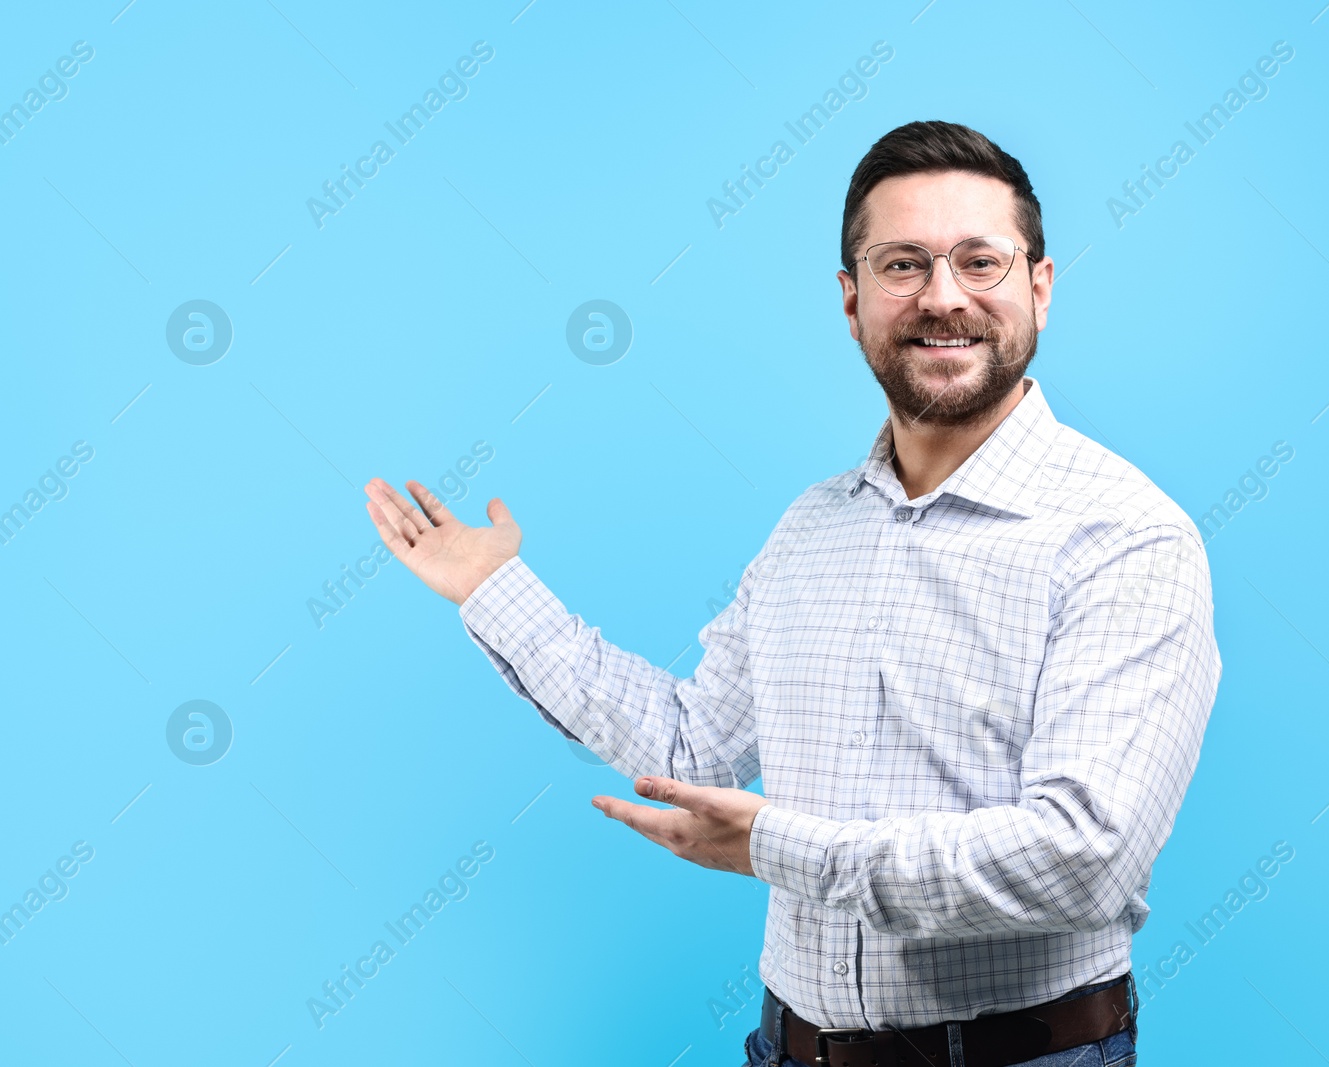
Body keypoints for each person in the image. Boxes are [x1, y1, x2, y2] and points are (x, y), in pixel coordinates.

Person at [363, 120, 1221, 1067]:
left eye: (981, 261)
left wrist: (784, 847)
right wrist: (493, 589)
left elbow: (1082, 857)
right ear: (852, 303)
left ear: (1040, 289)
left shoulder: (1125, 536)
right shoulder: (811, 530)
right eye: (903, 265)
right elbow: (693, 747)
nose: (944, 297)